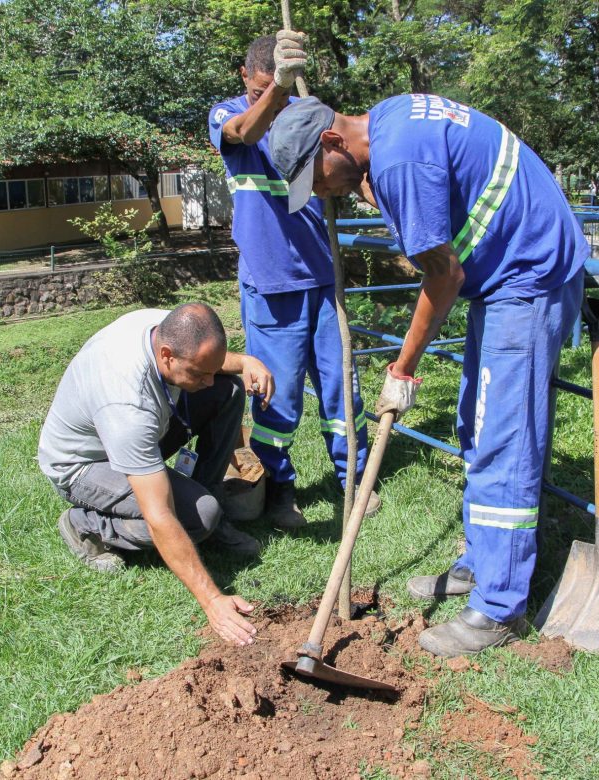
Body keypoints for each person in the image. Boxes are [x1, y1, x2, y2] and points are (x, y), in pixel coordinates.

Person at [269, 94, 588, 657]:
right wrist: (360, 186)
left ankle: (499, 607)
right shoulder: (387, 124)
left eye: (316, 181)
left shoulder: (399, 165)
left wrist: (402, 369)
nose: (321, 194)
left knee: (502, 439)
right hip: (506, 272)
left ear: (330, 142)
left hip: (527, 274)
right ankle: (482, 563)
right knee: (476, 421)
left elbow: (443, 278)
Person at [208, 32, 379, 529]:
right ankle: (280, 491)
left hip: (324, 281)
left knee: (340, 387)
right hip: (270, 285)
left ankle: (355, 478)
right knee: (276, 395)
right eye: (260, 88)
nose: (269, 98)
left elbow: (351, 170)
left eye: (275, 88)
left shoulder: (305, 116)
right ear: (246, 78)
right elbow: (243, 131)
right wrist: (277, 90)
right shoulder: (228, 116)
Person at [37, 302, 275, 646]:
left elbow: (208, 361)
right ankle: (87, 525)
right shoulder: (127, 403)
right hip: (87, 465)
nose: (207, 380)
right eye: (199, 373)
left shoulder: (162, 327)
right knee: (199, 517)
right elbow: (159, 514)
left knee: (229, 390)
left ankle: (210, 506)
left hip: (143, 430)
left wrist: (246, 362)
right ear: (167, 356)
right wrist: (213, 601)